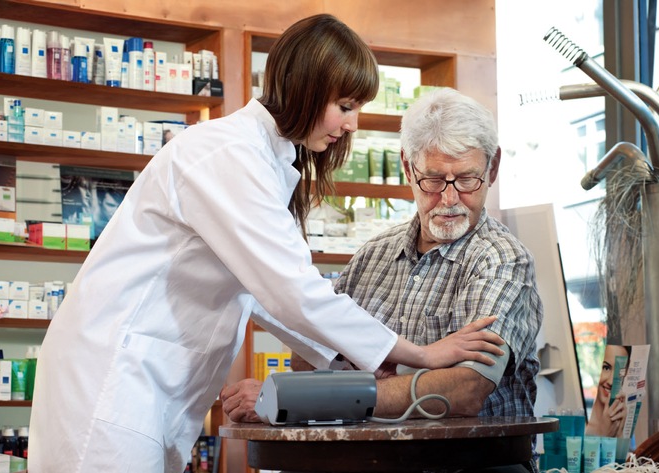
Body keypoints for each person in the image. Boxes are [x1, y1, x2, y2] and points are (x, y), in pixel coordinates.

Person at [27, 15, 505, 473]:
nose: (353, 124)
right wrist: (419, 355)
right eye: (345, 106)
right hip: (111, 375)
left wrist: (352, 357)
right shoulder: (228, 156)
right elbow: (292, 292)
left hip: (145, 383)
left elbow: (265, 294)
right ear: (304, 90)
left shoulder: (265, 163)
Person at [223, 87, 544, 473]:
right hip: (369, 461)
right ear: (408, 168)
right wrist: (400, 373)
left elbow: (464, 389)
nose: (449, 199)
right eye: (433, 180)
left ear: (491, 170)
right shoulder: (372, 256)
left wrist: (344, 388)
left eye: (467, 180)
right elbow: (308, 358)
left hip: (470, 465)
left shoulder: (501, 260)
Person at [586, 344, 632, 437]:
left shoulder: (621, 421)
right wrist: (604, 435)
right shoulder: (581, 427)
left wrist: (620, 433)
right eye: (606, 368)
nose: (611, 382)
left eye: (620, 371)